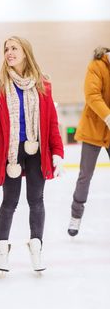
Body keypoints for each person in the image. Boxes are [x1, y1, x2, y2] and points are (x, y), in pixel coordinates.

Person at [0, 36, 64, 274]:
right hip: (10, 153)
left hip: (36, 150)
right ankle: (1, 251)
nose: (9, 52)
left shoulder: (43, 84)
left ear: (25, 52)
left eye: (14, 48)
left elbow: (51, 122)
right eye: (6, 49)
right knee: (9, 201)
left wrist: (58, 153)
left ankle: (37, 247)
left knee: (36, 200)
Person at [68, 47, 110, 237]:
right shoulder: (96, 66)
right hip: (94, 128)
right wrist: (108, 117)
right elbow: (92, 95)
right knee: (85, 175)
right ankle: (76, 216)